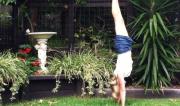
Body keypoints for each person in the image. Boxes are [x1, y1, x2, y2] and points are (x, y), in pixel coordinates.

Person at [110, 0, 133, 106]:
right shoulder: (120, 74)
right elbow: (121, 91)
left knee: (118, 19)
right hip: (124, 47)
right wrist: (118, 98)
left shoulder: (119, 73)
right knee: (119, 19)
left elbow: (123, 91)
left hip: (123, 47)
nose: (123, 84)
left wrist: (122, 104)